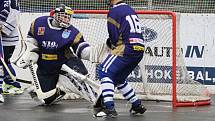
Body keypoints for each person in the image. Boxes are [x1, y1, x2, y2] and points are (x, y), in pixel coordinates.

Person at [12, 4, 105, 105]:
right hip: (45, 65)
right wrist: (30, 52)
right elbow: (31, 38)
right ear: (55, 15)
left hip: (65, 61)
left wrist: (91, 53)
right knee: (45, 100)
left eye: (68, 17)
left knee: (80, 80)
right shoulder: (39, 23)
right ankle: (59, 91)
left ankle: (96, 99)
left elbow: (81, 48)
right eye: (63, 16)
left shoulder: (72, 32)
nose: (66, 19)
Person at [94, 0, 147, 117]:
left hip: (125, 47)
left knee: (104, 71)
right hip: (139, 48)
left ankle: (109, 108)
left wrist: (111, 44)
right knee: (118, 78)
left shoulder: (114, 11)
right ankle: (137, 105)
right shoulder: (130, 9)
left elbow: (114, 37)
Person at [0, 0, 23, 103]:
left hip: (7, 38)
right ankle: (10, 83)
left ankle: (12, 84)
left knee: (4, 62)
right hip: (6, 37)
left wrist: (4, 29)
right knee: (5, 62)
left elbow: (14, 14)